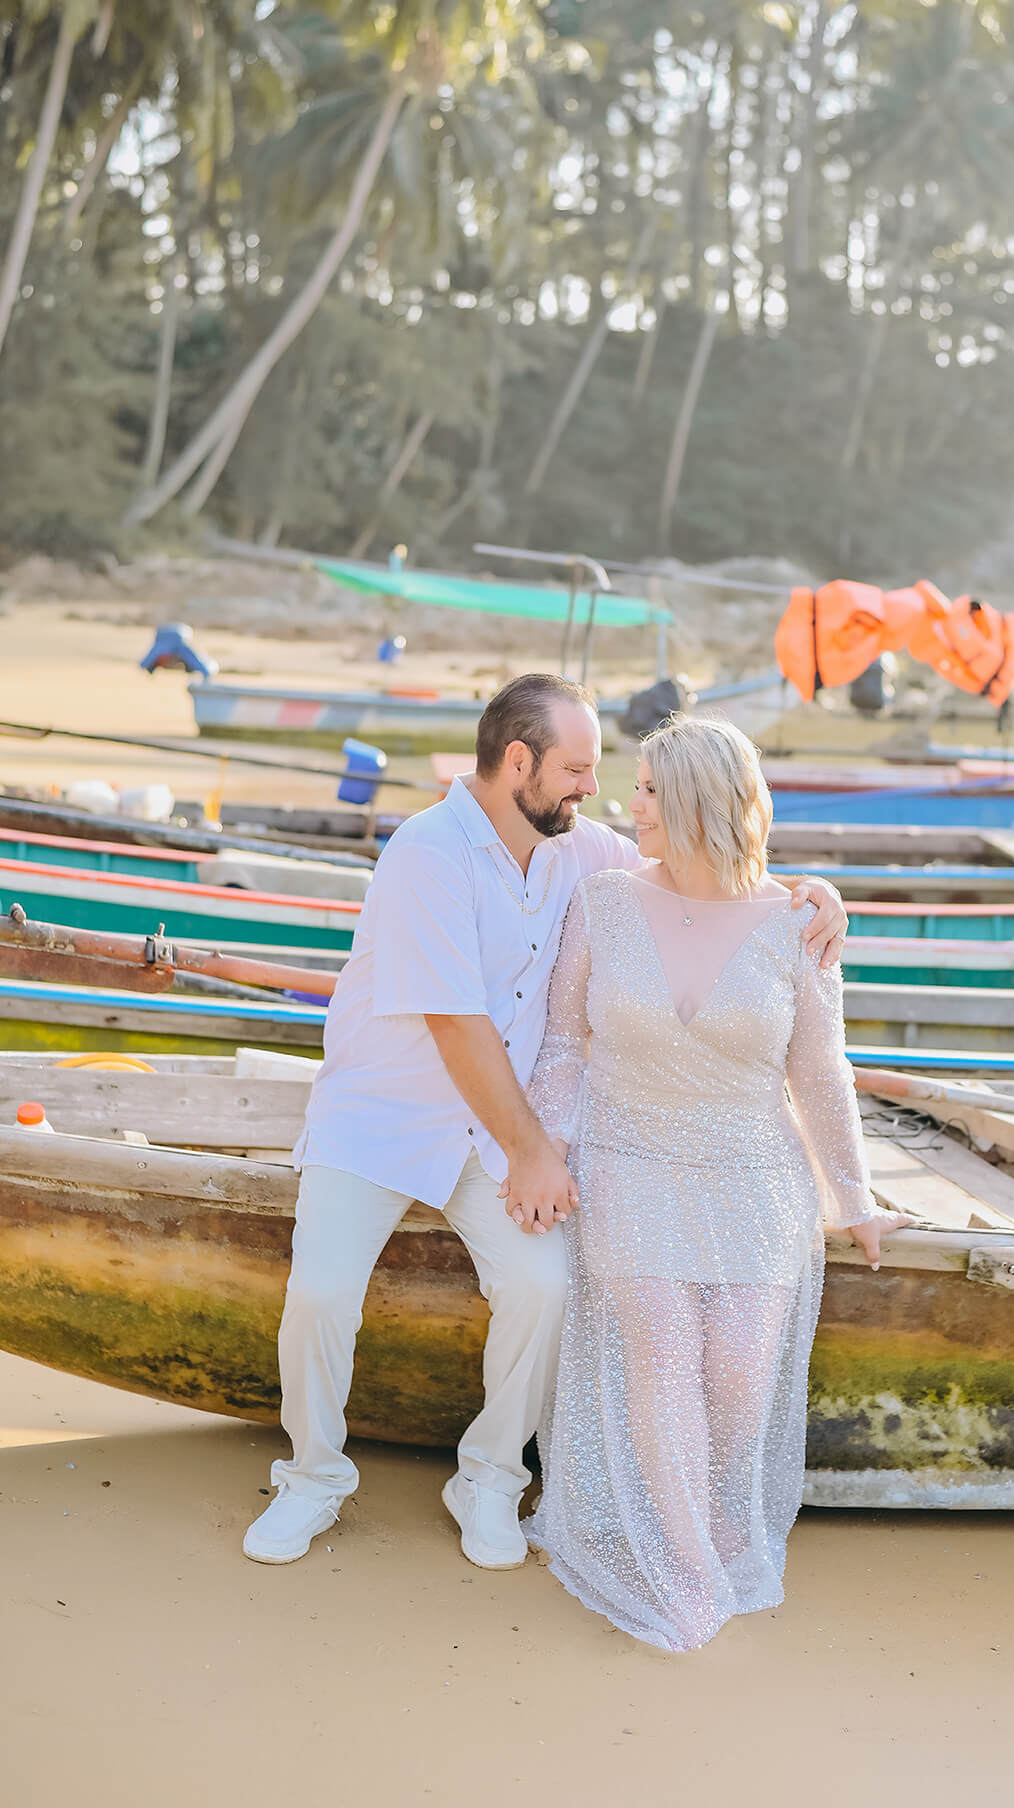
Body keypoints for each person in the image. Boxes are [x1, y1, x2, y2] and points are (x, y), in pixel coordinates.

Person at [243, 674, 848, 1568]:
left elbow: (701, 856)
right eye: (576, 769)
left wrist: (808, 892)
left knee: (543, 1289)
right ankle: (313, 1478)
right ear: (517, 762)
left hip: (494, 1134)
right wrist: (534, 1151)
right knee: (321, 1292)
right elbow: (456, 1024)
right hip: (383, 1119)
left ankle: (488, 1476)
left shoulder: (577, 846)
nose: (592, 790)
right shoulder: (426, 852)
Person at [525, 716, 906, 1652]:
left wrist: (852, 1197)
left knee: (737, 1372)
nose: (630, 805)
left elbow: (821, 1074)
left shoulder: (795, 922)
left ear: (695, 799)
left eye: (648, 790)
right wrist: (538, 1152)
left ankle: (714, 1515)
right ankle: (686, 1560)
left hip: (752, 1170)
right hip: (628, 1155)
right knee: (659, 1340)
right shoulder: (605, 899)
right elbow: (567, 1044)